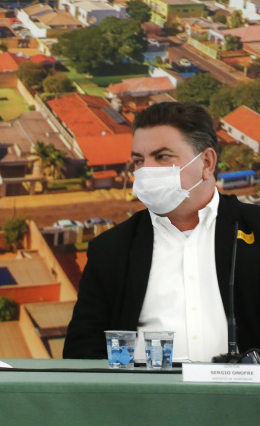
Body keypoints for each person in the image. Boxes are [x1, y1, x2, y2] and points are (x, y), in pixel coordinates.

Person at [64, 102, 260, 362]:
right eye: (138, 160)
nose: (146, 170)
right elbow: (82, 350)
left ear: (206, 162)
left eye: (163, 156)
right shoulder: (111, 250)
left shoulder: (254, 230)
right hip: (143, 401)